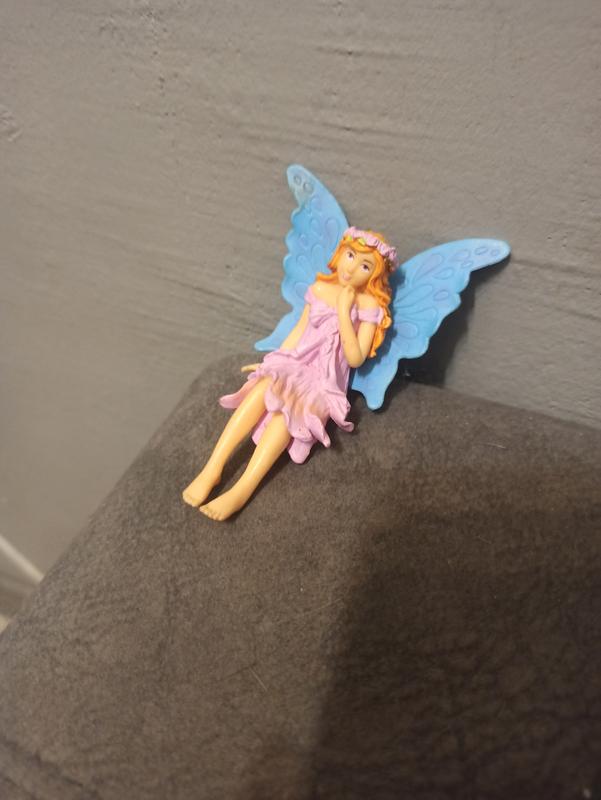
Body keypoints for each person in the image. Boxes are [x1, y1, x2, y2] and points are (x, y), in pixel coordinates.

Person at [182, 228, 396, 521]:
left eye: (365, 265)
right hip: (296, 363)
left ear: (375, 275)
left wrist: (345, 313)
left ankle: (243, 488)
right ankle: (213, 468)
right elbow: (298, 332)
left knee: (289, 415)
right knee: (263, 387)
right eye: (350, 255)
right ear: (339, 253)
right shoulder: (320, 289)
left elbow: (355, 357)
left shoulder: (369, 306)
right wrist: (271, 362)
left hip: (323, 383)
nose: (352, 267)